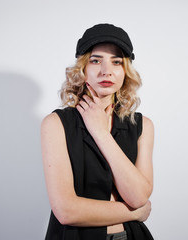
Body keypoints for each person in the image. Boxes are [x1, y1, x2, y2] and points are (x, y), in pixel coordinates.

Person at [40, 23, 154, 240]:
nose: (106, 71)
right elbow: (65, 211)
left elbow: (138, 195)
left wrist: (100, 132)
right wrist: (135, 212)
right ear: (82, 69)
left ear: (125, 71)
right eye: (95, 60)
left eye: (116, 62)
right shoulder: (56, 124)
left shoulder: (143, 126)